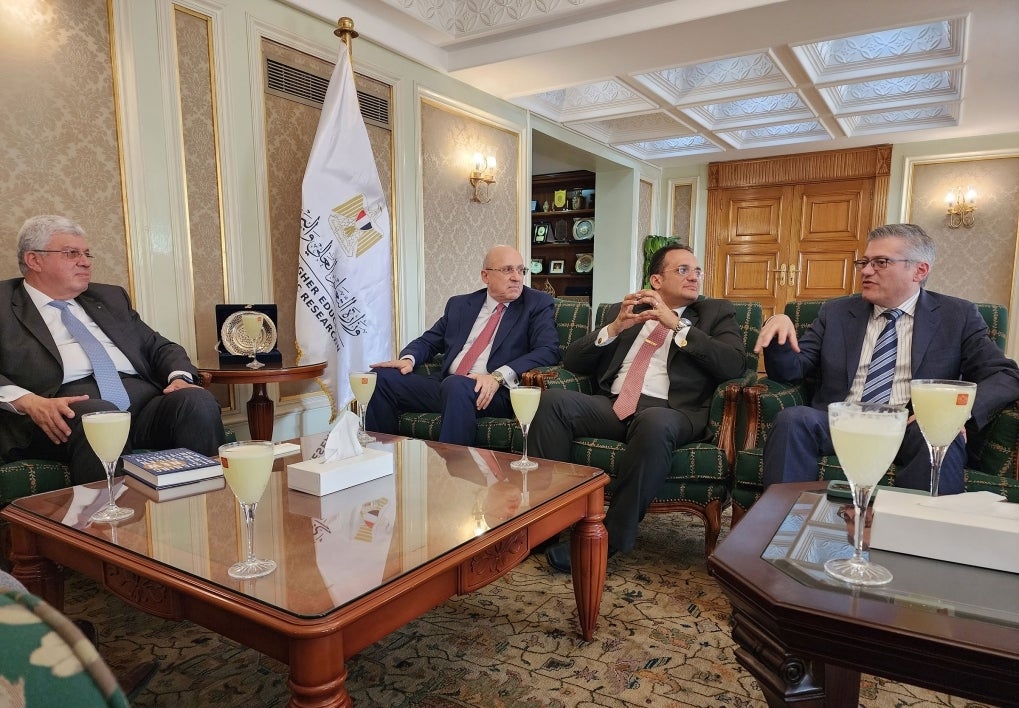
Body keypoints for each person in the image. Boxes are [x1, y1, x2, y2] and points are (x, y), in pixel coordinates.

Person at [755, 223, 1019, 493]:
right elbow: (791, 371)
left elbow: (1005, 375)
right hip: (842, 422)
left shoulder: (957, 316)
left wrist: (954, 414)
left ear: (920, 270)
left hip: (910, 426)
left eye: (881, 262)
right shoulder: (835, 312)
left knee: (939, 434)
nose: (867, 271)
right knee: (793, 420)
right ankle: (783, 526)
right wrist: (780, 331)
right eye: (865, 262)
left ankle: (919, 532)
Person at [530, 244, 746, 573]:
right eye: (683, 270)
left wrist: (676, 325)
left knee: (655, 423)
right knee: (552, 401)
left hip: (670, 411)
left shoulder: (716, 313)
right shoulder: (625, 310)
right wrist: (614, 328)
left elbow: (733, 364)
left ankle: (607, 540)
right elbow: (572, 360)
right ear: (656, 280)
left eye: (697, 270)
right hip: (614, 405)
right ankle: (545, 525)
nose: (694, 277)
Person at [0, 215, 226, 485]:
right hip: (61, 418)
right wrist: (28, 401)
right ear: (34, 260)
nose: (85, 261)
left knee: (196, 402)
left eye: (86, 254)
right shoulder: (4, 304)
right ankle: (109, 522)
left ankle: (205, 509)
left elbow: (160, 346)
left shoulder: (108, 298)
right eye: (71, 253)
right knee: (101, 416)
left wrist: (179, 378)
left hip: (142, 409)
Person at [366, 245, 560, 445]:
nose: (517, 277)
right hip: (446, 386)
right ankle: (385, 460)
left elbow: (548, 351)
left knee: (456, 385)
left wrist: (498, 376)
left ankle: (454, 472)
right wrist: (408, 359)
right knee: (380, 378)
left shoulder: (536, 303)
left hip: (493, 392)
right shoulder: (460, 305)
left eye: (521, 270)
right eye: (507, 270)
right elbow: (428, 341)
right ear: (486, 276)